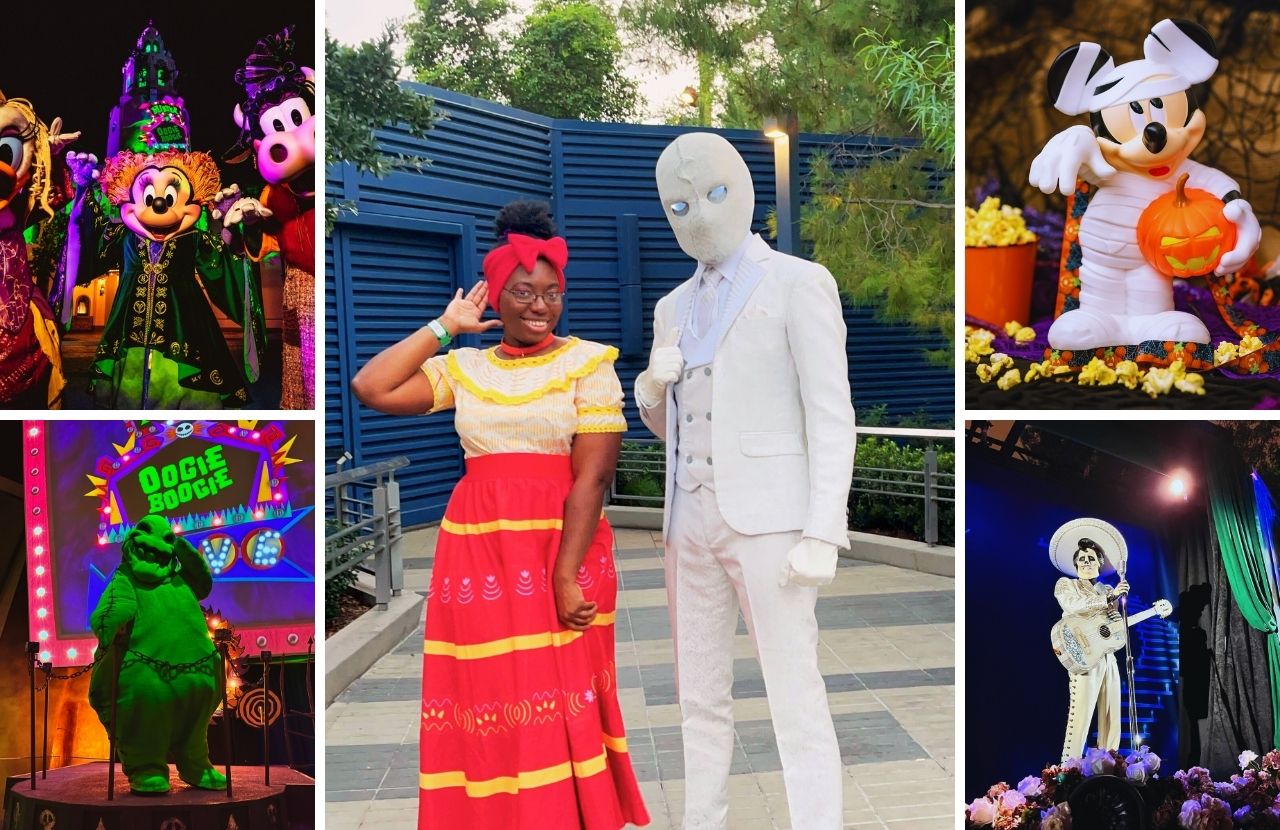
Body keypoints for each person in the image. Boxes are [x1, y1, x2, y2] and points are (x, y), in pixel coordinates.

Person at [351, 201, 649, 830]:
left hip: (561, 550)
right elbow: (371, 387)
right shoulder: (465, 367)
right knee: (489, 690)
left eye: (551, 293)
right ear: (495, 297)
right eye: (523, 292)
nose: (539, 305)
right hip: (478, 556)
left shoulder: (589, 365)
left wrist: (565, 575)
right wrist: (444, 327)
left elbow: (592, 478)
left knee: (558, 686)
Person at [635, 132, 856, 830]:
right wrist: (648, 387)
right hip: (687, 522)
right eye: (679, 204)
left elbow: (831, 415)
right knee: (698, 695)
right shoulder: (672, 307)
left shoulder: (798, 281)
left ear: (745, 190)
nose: (697, 214)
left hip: (770, 522)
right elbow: (674, 426)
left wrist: (823, 528)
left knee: (795, 692)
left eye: (712, 194)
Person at [1050, 524, 1128, 760]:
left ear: (1098, 563)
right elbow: (1073, 605)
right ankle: (1068, 769)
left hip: (1106, 655)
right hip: (1082, 655)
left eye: (1091, 558)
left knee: (1112, 713)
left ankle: (1108, 763)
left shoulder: (1105, 588)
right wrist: (1107, 597)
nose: (1086, 562)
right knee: (1081, 714)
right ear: (1075, 565)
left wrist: (1117, 600)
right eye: (1081, 559)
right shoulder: (1066, 584)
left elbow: (1113, 625)